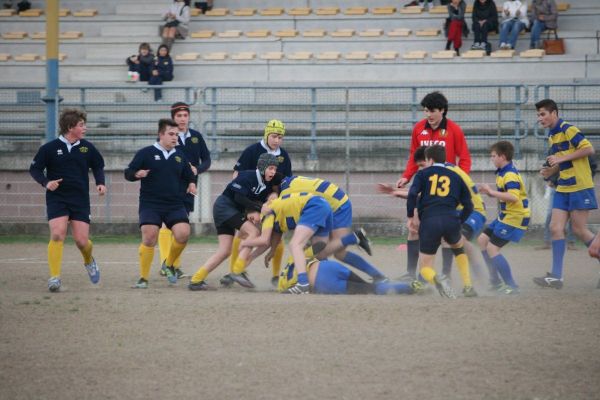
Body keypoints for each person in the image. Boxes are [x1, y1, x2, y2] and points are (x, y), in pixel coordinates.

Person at [395, 91, 471, 280]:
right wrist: (406, 177)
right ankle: (411, 273)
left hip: (446, 189)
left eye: (432, 111)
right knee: (414, 228)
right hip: (425, 187)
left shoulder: (454, 130)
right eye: (426, 111)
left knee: (446, 233)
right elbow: (414, 157)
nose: (428, 115)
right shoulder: (418, 129)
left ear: (443, 110)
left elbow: (465, 158)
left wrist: (459, 180)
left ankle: (445, 274)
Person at [29, 108, 106, 292]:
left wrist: (100, 183)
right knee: (57, 234)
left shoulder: (87, 147)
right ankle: (55, 278)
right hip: (57, 198)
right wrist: (46, 183)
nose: (85, 128)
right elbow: (35, 169)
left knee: (81, 241)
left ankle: (89, 261)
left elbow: (98, 165)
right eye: (81, 125)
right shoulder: (49, 148)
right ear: (71, 127)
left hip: (80, 199)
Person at [240, 192, 373, 294]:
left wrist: (245, 243)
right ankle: (354, 237)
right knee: (321, 252)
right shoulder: (274, 211)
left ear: (257, 210)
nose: (254, 222)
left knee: (295, 245)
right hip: (323, 205)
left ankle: (303, 284)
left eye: (252, 218)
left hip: (312, 206)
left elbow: (264, 239)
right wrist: (265, 253)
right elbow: (270, 241)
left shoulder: (266, 212)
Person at [188, 154, 280, 291]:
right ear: (262, 167)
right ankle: (237, 271)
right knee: (254, 232)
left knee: (225, 251)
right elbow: (239, 197)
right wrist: (260, 208)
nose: (273, 172)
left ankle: (196, 280)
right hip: (224, 207)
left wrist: (263, 204)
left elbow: (252, 201)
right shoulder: (247, 176)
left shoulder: (265, 185)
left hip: (227, 210)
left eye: (275, 169)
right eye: (270, 168)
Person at [124, 119, 197, 289]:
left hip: (174, 204)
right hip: (151, 204)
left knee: (183, 234)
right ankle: (143, 278)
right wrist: (137, 174)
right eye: (171, 134)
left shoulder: (179, 155)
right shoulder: (146, 153)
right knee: (149, 236)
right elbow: (128, 172)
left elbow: (189, 174)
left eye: (176, 135)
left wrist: (192, 183)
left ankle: (169, 264)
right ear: (161, 135)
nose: (174, 138)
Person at [221, 119, 292, 287]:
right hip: (250, 201)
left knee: (276, 236)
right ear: (267, 134)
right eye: (274, 136)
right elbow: (237, 176)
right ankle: (234, 272)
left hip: (271, 203)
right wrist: (247, 206)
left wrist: (275, 194)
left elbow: (285, 182)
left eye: (280, 137)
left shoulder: (284, 156)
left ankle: (275, 276)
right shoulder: (252, 151)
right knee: (244, 234)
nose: (277, 140)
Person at [534, 99, 597, 289]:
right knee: (555, 228)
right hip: (563, 186)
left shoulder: (568, 129)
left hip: (579, 185)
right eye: (538, 115)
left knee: (579, 230)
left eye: (543, 114)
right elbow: (562, 163)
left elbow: (589, 149)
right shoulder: (552, 136)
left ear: (554, 113)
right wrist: (551, 172)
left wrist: (560, 158)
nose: (540, 118)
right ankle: (556, 276)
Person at [278, 175, 386, 282]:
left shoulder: (284, 196)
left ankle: (353, 238)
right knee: (331, 251)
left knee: (326, 252)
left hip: (335, 206)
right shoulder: (289, 181)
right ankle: (378, 276)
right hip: (332, 201)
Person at [406, 145, 474, 299]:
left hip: (430, 221)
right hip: (451, 219)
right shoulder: (456, 176)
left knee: (425, 266)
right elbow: (469, 205)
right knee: (458, 248)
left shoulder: (423, 174)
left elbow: (412, 195)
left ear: (429, 159)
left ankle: (437, 281)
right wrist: (459, 221)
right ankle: (468, 286)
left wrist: (411, 216)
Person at [158, 102, 211, 279]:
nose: (182, 119)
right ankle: (166, 264)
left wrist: (198, 169)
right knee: (167, 224)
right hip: (170, 186)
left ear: (189, 117)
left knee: (181, 225)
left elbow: (207, 159)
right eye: (178, 116)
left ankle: (172, 265)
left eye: (185, 115)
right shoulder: (168, 137)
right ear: (173, 118)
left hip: (189, 186)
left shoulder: (196, 137)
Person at [477, 141, 530, 295]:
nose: (491, 159)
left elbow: (513, 197)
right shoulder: (502, 171)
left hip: (515, 217)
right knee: (482, 240)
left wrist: (491, 192)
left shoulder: (509, 174)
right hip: (506, 215)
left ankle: (511, 285)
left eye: (494, 156)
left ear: (503, 156)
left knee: (492, 248)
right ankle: (495, 281)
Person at [277, 257, 423, 295]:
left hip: (324, 281)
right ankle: (408, 284)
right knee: (367, 284)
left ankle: (410, 288)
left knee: (372, 289)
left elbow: (288, 291)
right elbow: (318, 248)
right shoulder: (292, 259)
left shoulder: (282, 284)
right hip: (329, 266)